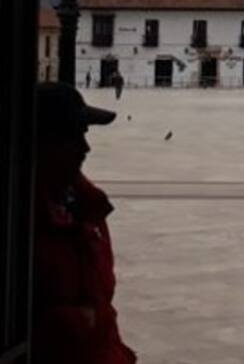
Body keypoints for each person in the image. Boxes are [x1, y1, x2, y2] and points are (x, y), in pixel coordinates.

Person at [32, 82, 137, 364]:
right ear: (42, 142)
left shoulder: (87, 207)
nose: (85, 147)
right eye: (74, 136)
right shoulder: (24, 224)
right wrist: (75, 321)